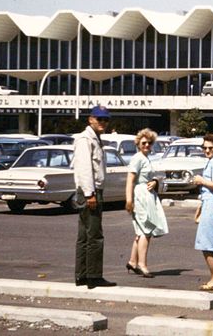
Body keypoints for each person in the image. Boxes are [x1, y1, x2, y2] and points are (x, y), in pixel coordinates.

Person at [72, 105, 116, 289]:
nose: (103, 123)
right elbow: (84, 168)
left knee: (85, 235)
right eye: (99, 119)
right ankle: (93, 276)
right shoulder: (85, 139)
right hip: (90, 191)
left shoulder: (96, 139)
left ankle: (82, 275)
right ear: (90, 119)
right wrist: (90, 194)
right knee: (94, 235)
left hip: (92, 191)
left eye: (106, 119)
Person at [125, 128, 168, 278]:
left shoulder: (146, 158)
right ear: (138, 143)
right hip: (140, 196)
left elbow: (153, 176)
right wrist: (129, 200)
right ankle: (142, 264)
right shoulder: (137, 158)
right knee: (146, 230)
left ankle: (132, 261)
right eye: (144, 143)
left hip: (146, 195)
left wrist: (155, 181)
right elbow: (130, 179)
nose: (147, 145)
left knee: (142, 230)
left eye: (149, 143)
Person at [191, 133, 213, 291]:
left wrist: (201, 180)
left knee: (208, 244)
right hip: (209, 203)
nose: (207, 150)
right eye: (204, 148)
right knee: (209, 243)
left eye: (210, 148)